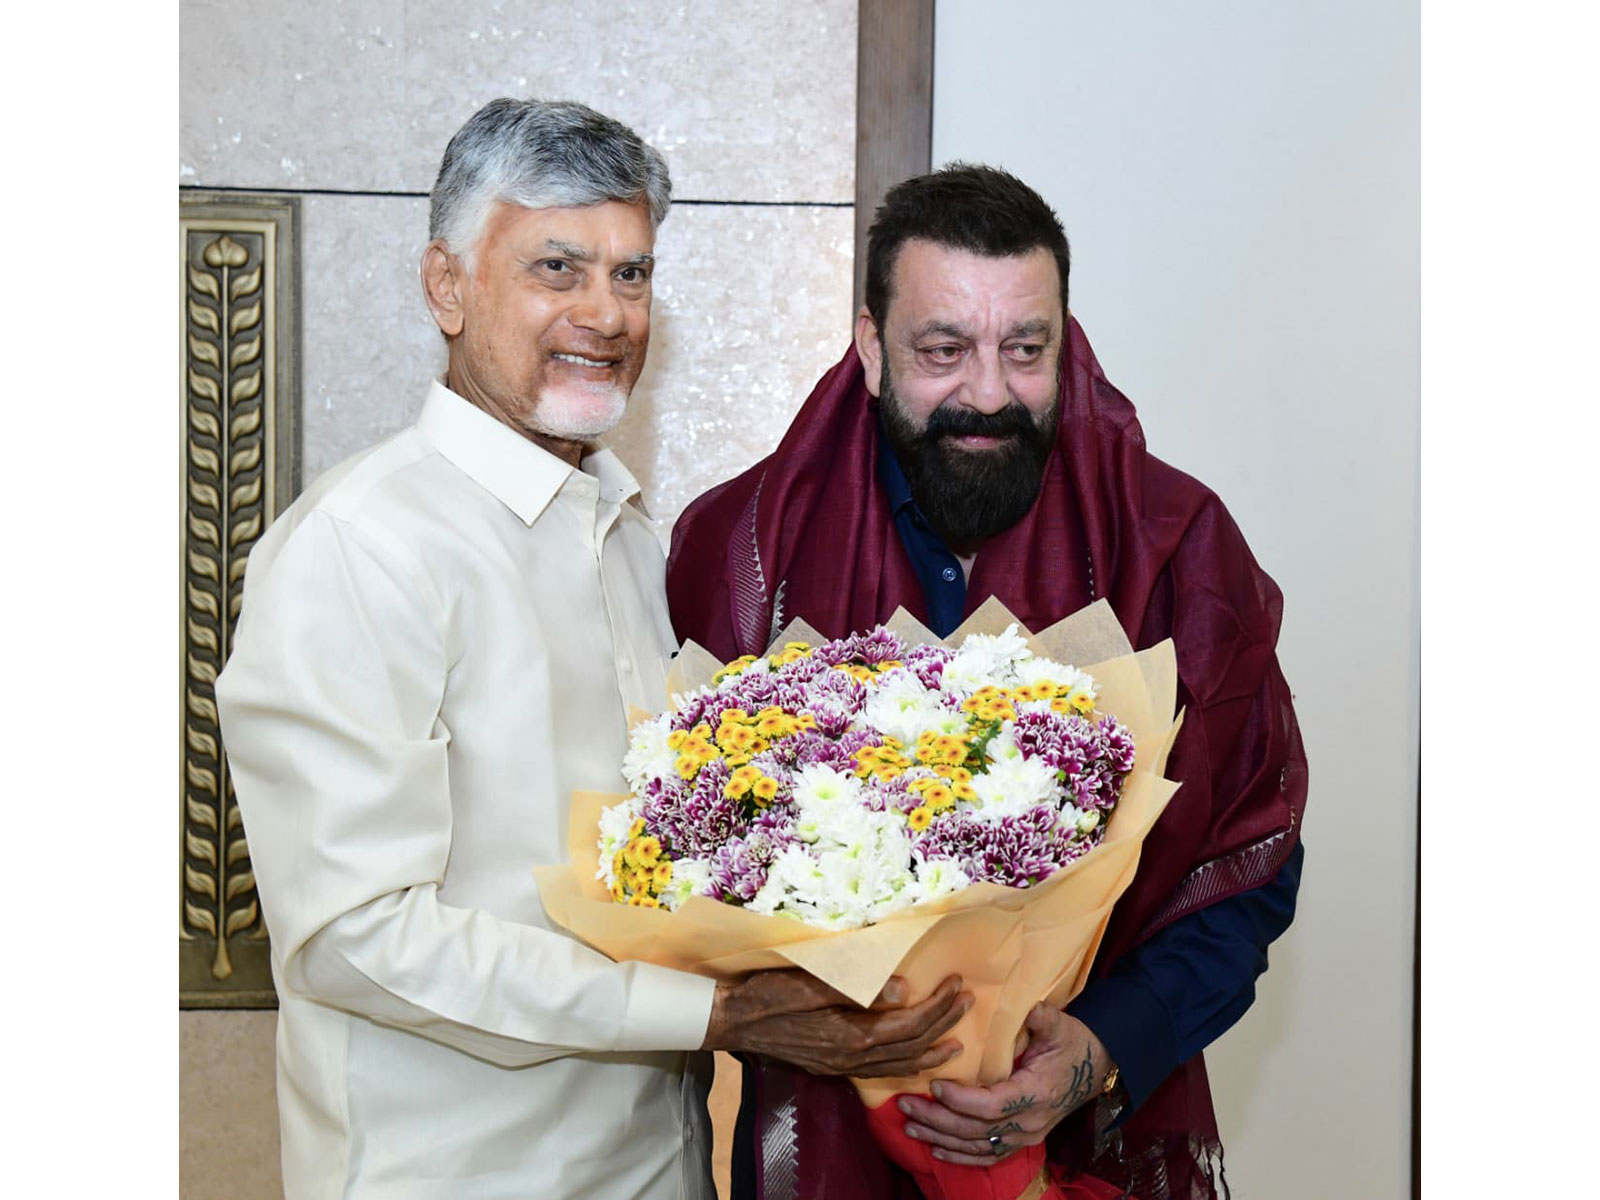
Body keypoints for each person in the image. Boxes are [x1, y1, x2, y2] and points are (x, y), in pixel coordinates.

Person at [214, 98, 971, 1200]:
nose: (606, 314)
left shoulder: (624, 538)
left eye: (632, 274)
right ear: (447, 286)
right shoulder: (359, 546)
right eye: (556, 267)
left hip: (657, 1164)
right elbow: (354, 934)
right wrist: (708, 1012)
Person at [666, 164, 1308, 1200]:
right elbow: (681, 853)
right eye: (942, 349)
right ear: (871, 347)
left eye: (1025, 348)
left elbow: (1251, 857)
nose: (989, 393)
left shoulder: (1173, 547)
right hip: (823, 1134)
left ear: (1066, 340)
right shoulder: (738, 551)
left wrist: (1097, 1047)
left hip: (1091, 1135)